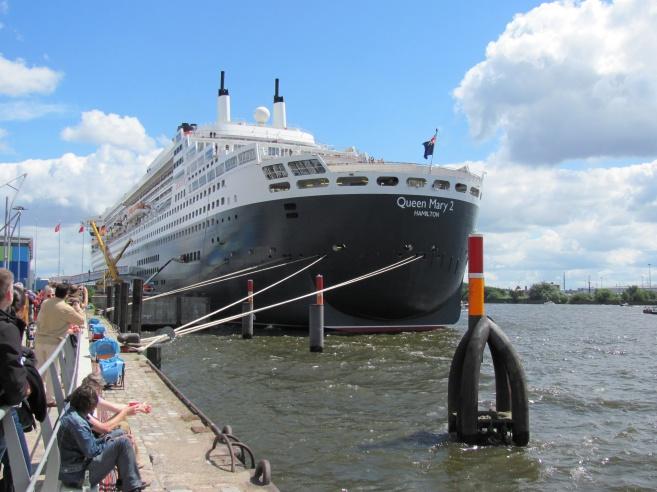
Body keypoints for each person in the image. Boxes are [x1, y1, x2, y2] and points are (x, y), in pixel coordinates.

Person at [57, 385, 147, 491]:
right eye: (94, 408)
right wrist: (112, 441)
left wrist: (113, 437)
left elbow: (91, 444)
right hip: (78, 477)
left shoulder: (74, 414)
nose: (94, 410)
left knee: (121, 433)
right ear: (89, 406)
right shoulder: (78, 424)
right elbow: (92, 451)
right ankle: (133, 488)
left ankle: (126, 483)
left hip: (75, 471)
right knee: (123, 443)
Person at [0, 269, 31, 485]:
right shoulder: (6, 329)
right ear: (9, 294)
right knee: (21, 468)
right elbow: (15, 383)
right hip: (5, 409)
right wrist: (25, 389)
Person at [34, 283, 85, 405]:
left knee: (40, 370)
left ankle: (36, 396)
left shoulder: (46, 303)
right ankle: (50, 399)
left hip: (40, 340)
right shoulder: (65, 308)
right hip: (53, 342)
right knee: (53, 372)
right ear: (66, 294)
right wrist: (77, 308)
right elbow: (81, 320)